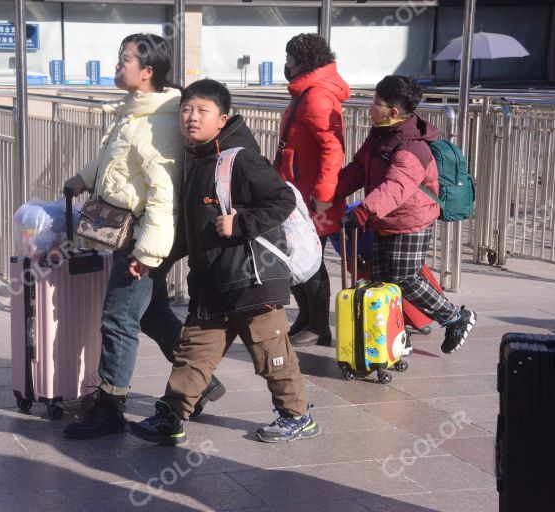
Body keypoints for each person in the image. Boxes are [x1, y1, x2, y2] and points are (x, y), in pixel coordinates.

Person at [126, 79, 320, 445]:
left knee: (270, 352)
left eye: (202, 111)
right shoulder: (198, 160)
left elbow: (281, 199)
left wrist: (240, 223)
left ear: (222, 118)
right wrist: (155, 260)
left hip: (252, 279)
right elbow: (193, 230)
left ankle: (297, 416)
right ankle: (171, 417)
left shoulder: (239, 158)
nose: (191, 118)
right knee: (193, 355)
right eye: (186, 110)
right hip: (212, 282)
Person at [62, 34, 225, 440]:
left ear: (147, 71)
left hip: (142, 235)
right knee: (149, 313)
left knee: (118, 318)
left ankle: (110, 407)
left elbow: (163, 195)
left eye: (124, 60)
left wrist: (147, 254)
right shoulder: (136, 111)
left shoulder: (160, 124)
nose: (118, 66)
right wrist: (84, 178)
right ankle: (198, 382)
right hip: (130, 231)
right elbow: (113, 155)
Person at [334, 75, 477, 355]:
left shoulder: (412, 145)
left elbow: (395, 187)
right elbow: (357, 169)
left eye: (376, 102)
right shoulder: (380, 134)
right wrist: (331, 192)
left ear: (394, 112)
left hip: (410, 221)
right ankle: (396, 335)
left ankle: (455, 317)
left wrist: (364, 210)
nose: (370, 107)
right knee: (382, 282)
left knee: (405, 278)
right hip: (386, 219)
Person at [276, 33, 350, 347]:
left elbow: (333, 149)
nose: (286, 66)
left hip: (312, 196)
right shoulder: (307, 91)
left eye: (290, 60)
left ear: (303, 63)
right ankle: (307, 318)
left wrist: (323, 196)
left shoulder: (316, 95)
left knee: (310, 258)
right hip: (300, 190)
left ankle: (319, 325)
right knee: (297, 253)